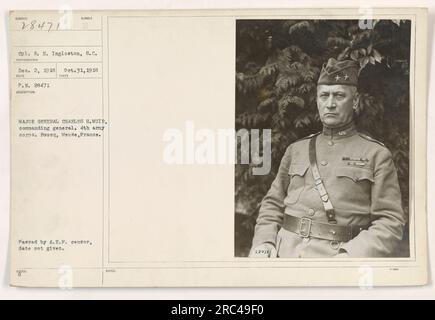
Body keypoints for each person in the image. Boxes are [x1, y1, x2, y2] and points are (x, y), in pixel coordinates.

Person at [249, 58, 405, 258]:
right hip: (283, 253)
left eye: (339, 95)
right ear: (317, 101)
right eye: (324, 96)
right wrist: (264, 243)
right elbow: (272, 204)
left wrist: (350, 256)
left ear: (355, 101)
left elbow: (389, 222)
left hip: (336, 259)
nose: (330, 103)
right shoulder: (296, 149)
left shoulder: (376, 154)